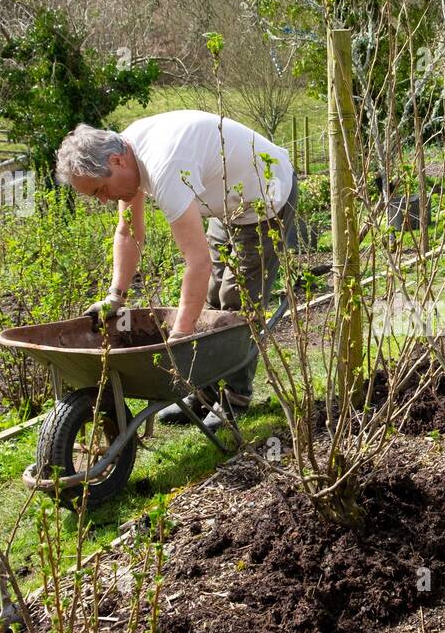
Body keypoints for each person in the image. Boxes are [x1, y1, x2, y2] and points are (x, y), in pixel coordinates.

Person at [54, 110, 297, 428]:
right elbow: (129, 232)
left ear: (117, 161)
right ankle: (205, 395)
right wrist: (116, 297)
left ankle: (234, 399)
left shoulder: (164, 166)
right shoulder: (128, 149)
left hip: (266, 195)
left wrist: (180, 340)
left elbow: (197, 262)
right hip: (226, 201)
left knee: (237, 301)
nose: (102, 200)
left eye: (100, 190)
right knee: (210, 299)